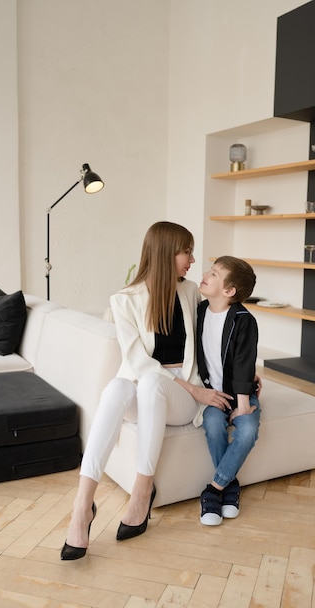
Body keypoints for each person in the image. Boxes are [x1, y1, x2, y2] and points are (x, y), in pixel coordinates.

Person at [61, 221, 232, 560]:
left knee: (153, 382)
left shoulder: (190, 291)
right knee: (114, 390)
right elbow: (137, 361)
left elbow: (224, 328)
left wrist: (244, 375)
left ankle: (142, 491)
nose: (192, 260)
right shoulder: (124, 300)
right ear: (167, 252)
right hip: (148, 388)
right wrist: (189, 388)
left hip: (181, 399)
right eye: (187, 251)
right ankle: (82, 506)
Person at [195, 256, 261, 525]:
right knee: (212, 424)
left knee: (247, 431)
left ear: (229, 291)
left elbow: (245, 362)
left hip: (241, 394)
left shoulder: (244, 320)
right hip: (213, 394)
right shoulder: (199, 311)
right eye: (209, 271)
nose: (205, 275)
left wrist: (243, 405)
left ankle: (213, 490)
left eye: (214, 274)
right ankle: (229, 487)